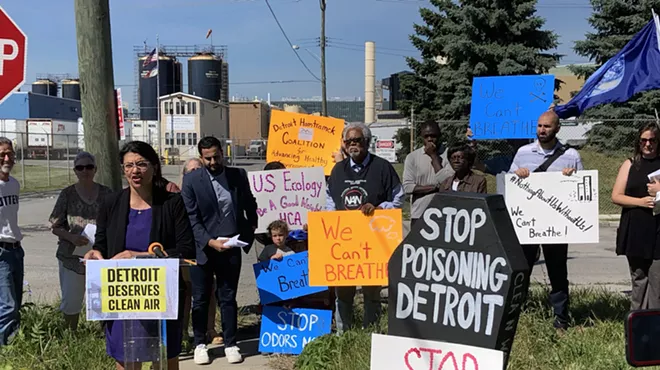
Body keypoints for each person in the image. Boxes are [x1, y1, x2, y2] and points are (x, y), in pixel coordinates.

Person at [84, 141, 195, 370]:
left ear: (154, 166)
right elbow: (102, 245)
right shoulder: (110, 203)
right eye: (129, 166)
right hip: (122, 297)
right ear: (123, 170)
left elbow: (186, 250)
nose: (135, 171)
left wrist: (139, 256)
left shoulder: (172, 203)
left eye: (142, 164)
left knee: (164, 361)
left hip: (160, 296)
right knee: (126, 361)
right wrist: (95, 254)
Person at [181, 136, 258, 365]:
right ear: (201, 157)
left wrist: (251, 223)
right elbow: (191, 218)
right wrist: (210, 242)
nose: (213, 161)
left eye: (216, 156)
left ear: (222, 153)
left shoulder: (237, 175)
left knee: (227, 297)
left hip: (232, 244)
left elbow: (248, 201)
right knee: (200, 298)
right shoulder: (192, 180)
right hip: (204, 248)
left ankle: (231, 343)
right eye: (208, 158)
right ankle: (200, 344)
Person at [508, 110, 583, 331]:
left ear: (557, 128)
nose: (542, 130)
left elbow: (581, 190)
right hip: (528, 225)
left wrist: (573, 177)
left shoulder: (571, 155)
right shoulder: (523, 152)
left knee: (558, 273)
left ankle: (561, 319)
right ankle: (517, 317)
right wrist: (517, 175)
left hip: (556, 227)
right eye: (539, 126)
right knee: (522, 271)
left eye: (547, 126)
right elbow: (510, 184)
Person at [326, 122, 404, 333]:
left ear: (367, 142)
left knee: (372, 292)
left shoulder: (382, 167)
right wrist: (330, 220)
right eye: (348, 141)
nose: (352, 144)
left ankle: (371, 335)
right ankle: (345, 337)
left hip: (374, 241)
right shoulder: (338, 170)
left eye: (357, 140)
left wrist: (379, 208)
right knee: (343, 293)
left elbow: (398, 198)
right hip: (344, 242)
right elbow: (330, 200)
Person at [48, 152, 112, 331]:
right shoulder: (67, 194)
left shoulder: (108, 193)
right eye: (80, 167)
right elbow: (55, 225)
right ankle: (71, 337)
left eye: (89, 167)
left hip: (100, 257)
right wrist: (72, 237)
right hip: (72, 257)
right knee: (71, 301)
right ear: (75, 171)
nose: (85, 171)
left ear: (95, 169)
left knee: (103, 300)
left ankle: (105, 336)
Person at [612, 123, 660, 310]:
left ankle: (655, 330)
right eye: (644, 140)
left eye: (652, 140)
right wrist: (641, 202)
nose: (648, 144)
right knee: (639, 280)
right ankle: (635, 329)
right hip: (636, 228)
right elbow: (616, 196)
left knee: (657, 283)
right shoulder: (630, 164)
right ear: (638, 142)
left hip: (658, 229)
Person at [178, 158, 222, 348]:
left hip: (207, 248)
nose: (195, 174)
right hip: (187, 250)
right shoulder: (179, 197)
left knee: (208, 290)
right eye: (191, 171)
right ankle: (183, 333)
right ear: (185, 176)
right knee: (187, 291)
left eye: (199, 170)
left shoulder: (211, 194)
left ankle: (210, 329)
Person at [403, 121, 455, 229]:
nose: (430, 139)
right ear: (421, 137)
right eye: (426, 136)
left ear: (439, 135)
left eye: (433, 135)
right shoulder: (412, 157)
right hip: (419, 213)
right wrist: (435, 188)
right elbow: (407, 187)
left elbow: (446, 184)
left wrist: (433, 156)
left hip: (444, 213)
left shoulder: (450, 155)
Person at [0, 138, 23, 346]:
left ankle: (14, 348)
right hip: (1, 251)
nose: (7, 159)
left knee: (16, 302)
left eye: (10, 154)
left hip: (16, 249)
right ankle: (4, 350)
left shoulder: (14, 184)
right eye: (2, 155)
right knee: (7, 306)